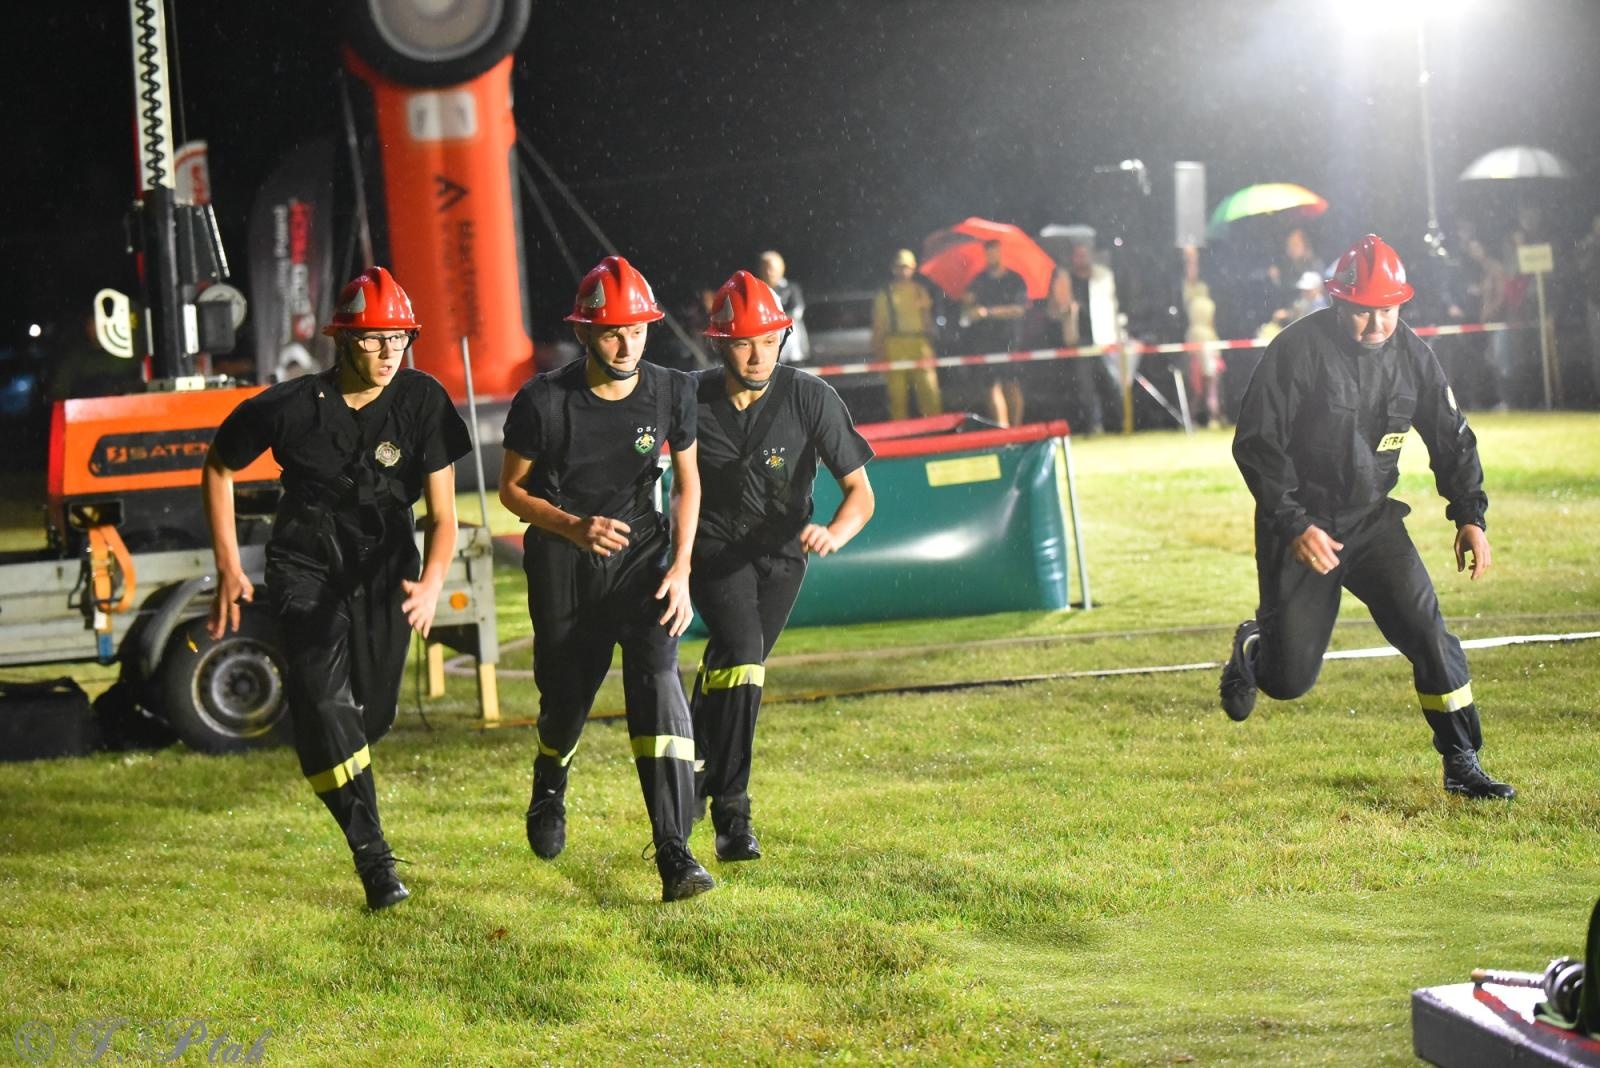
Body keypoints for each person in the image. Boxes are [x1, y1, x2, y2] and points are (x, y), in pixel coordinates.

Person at [202, 266, 471, 909]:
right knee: (325, 707)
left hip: (388, 572)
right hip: (306, 565)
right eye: (375, 339)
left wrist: (432, 583)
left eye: (399, 339)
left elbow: (444, 515)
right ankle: (375, 862)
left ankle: (333, 759)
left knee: (367, 718)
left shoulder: (422, 400)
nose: (388, 353)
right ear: (344, 340)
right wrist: (229, 566)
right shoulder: (291, 405)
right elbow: (219, 465)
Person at [1219, 234, 1515, 800]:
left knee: (1430, 634)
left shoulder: (1413, 354)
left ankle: (1461, 762)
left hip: (1373, 522)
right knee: (1289, 681)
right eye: (1362, 311)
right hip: (1302, 528)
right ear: (1338, 303)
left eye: (1388, 309)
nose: (1377, 323)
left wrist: (1470, 516)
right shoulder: (1296, 349)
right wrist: (1292, 521)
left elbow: (1451, 437)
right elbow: (1257, 443)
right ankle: (1256, 647)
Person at [498, 255, 715, 903]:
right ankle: (550, 781)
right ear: (586, 333)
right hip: (564, 557)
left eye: (639, 330)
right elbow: (510, 492)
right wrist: (572, 527)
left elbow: (689, 485)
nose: (628, 344)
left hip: (643, 557)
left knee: (657, 678)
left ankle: (675, 853)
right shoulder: (542, 401)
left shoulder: (674, 391)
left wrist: (680, 568)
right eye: (614, 332)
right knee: (568, 696)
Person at [690, 270, 875, 861]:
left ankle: (695, 757)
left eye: (770, 340)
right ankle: (731, 817)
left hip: (783, 559)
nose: (759, 353)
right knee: (744, 661)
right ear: (718, 343)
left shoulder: (810, 396)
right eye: (744, 342)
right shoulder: (686, 397)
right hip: (714, 552)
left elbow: (861, 493)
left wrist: (836, 532)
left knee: (731, 664)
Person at [963, 239, 1030, 426]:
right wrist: (969, 306)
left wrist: (989, 312)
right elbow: (968, 309)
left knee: (1011, 384)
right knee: (991, 386)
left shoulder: (1015, 280)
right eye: (989, 252)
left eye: (995, 252)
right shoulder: (978, 281)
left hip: (1010, 340)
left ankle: (1015, 429)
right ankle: (1003, 430)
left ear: (1001, 253)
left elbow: (1020, 309)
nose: (992, 256)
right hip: (985, 341)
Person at [871, 249, 943, 421]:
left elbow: (927, 319)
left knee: (929, 393)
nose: (903, 271)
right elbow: (878, 325)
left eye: (907, 267)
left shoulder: (920, 291)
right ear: (893, 269)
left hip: (920, 345)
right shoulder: (885, 294)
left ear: (913, 268)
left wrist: (932, 341)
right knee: (897, 396)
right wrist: (878, 351)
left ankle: (936, 432)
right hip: (895, 346)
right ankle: (900, 436)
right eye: (900, 267)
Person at [1066, 238, 1124, 434]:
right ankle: (1093, 426)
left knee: (1112, 385)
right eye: (1077, 255)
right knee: (1086, 388)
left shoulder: (1104, 276)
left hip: (1105, 338)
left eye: (1083, 254)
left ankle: (1117, 425)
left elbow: (1114, 306)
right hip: (1081, 340)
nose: (1080, 259)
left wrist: (1118, 335)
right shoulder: (1068, 281)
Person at [758, 250, 810, 364]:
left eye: (771, 268)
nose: (768, 272)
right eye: (764, 268)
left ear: (781, 269)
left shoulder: (791, 288)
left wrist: (776, 320)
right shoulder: (757, 290)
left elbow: (797, 311)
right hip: (766, 339)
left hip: (789, 337)